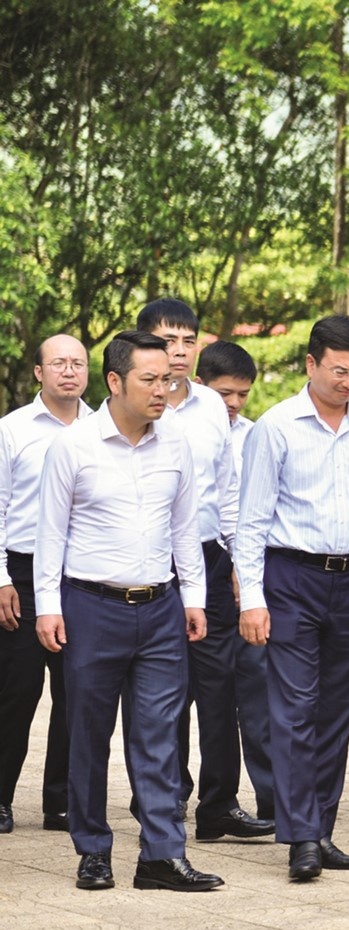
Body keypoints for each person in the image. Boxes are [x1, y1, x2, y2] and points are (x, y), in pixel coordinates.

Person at [34, 330, 222, 892]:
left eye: (168, 379)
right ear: (115, 381)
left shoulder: (177, 444)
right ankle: (93, 851)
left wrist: (194, 598)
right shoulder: (73, 447)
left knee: (161, 736)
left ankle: (162, 856)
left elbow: (185, 529)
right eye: (150, 379)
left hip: (162, 610)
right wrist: (49, 606)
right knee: (89, 735)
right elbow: (50, 534)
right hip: (91, 608)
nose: (163, 389)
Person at [235, 314, 349, 882]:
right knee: (294, 710)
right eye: (339, 371)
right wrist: (252, 599)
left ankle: (321, 828)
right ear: (311, 364)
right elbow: (252, 522)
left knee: (338, 711)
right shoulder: (277, 428)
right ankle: (300, 836)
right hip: (291, 579)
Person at [137, 300, 272, 843]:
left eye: (187, 340)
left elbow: (230, 493)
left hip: (211, 559)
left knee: (219, 688)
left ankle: (219, 805)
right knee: (164, 692)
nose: (178, 350)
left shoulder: (213, 409)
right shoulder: (129, 406)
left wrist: (242, 562)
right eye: (167, 340)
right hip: (152, 563)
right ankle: (164, 799)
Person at [0, 336, 91, 835]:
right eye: (58, 363)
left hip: (80, 576)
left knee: (77, 693)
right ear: (39, 372)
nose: (69, 371)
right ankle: (0, 797)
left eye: (78, 363)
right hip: (23, 574)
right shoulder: (12, 430)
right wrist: (1, 579)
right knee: (16, 691)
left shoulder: (103, 428)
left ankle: (61, 801)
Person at [193, 341, 275, 823]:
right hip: (195, 566)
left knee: (251, 691)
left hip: (245, 578)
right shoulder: (179, 427)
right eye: (226, 393)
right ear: (201, 385)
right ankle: (175, 796)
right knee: (182, 696)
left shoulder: (256, 436)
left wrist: (247, 576)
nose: (235, 404)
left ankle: (261, 799)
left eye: (243, 394)